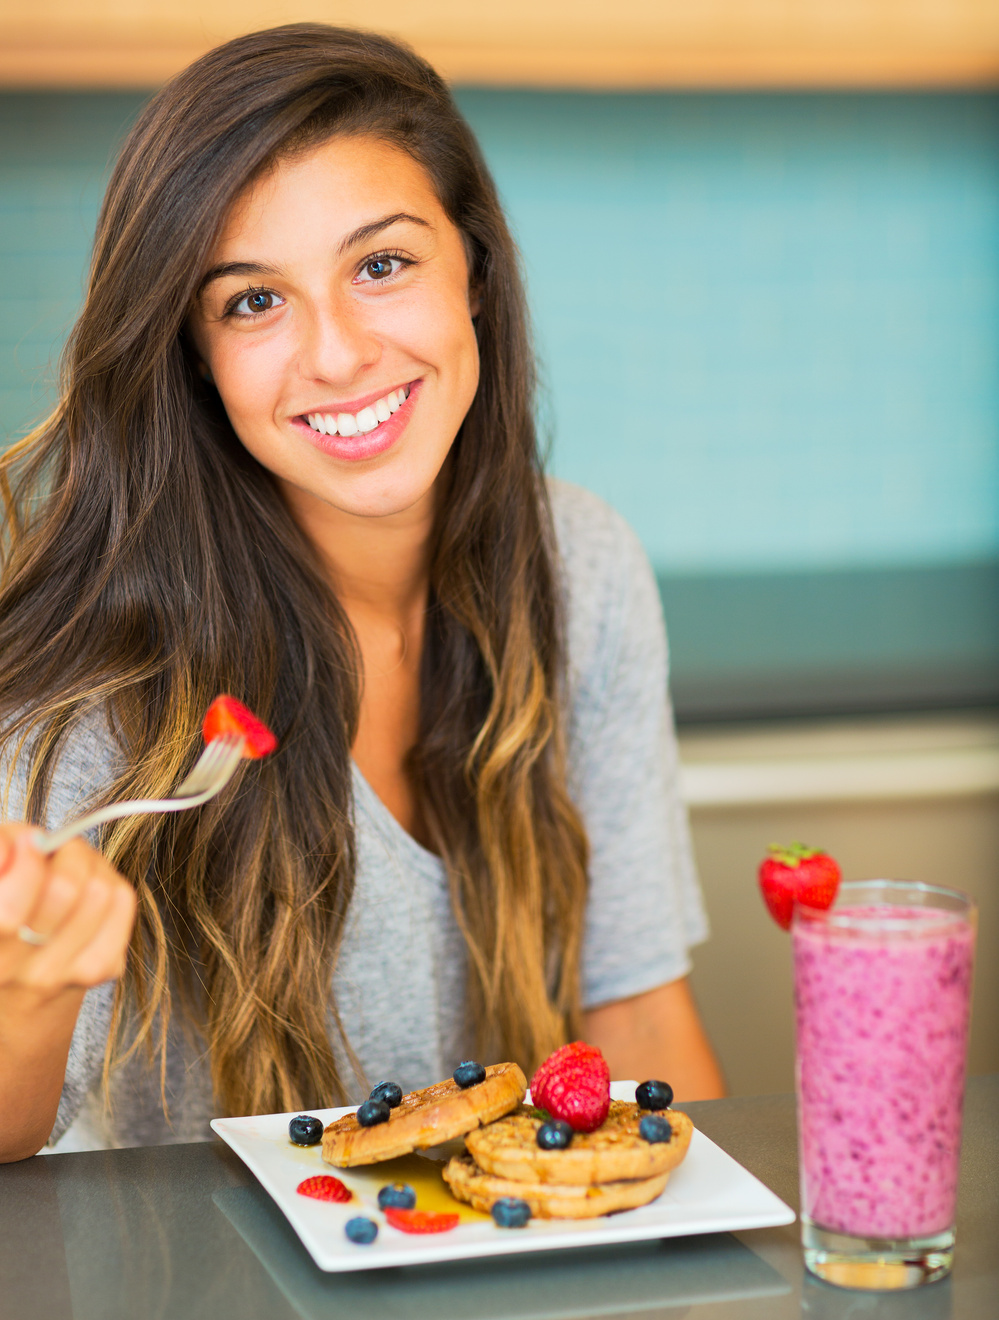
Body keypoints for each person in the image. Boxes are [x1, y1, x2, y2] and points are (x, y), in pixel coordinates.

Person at [0, 24, 723, 1162]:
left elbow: (633, 1017)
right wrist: (25, 991)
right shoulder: (110, 691)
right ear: (194, 355)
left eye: (381, 265)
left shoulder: (582, 569)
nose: (335, 355)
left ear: (473, 270)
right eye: (253, 302)